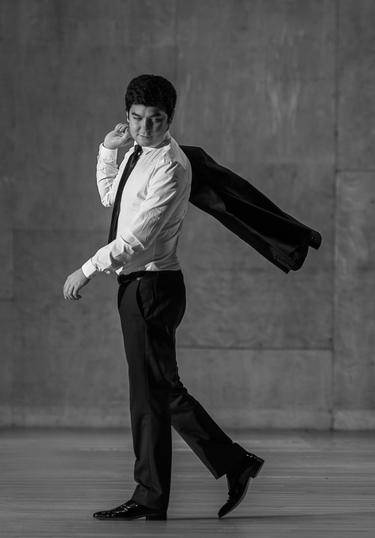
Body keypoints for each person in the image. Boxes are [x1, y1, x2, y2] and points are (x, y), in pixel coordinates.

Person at [62, 74, 263, 521]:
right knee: (159, 392)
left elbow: (139, 238)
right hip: (137, 288)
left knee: (151, 396)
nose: (144, 128)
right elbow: (111, 199)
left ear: (169, 119)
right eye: (136, 119)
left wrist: (88, 268)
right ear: (127, 117)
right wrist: (107, 150)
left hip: (152, 288)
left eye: (155, 120)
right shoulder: (134, 150)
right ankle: (230, 465)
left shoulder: (171, 165)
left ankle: (158, 494)